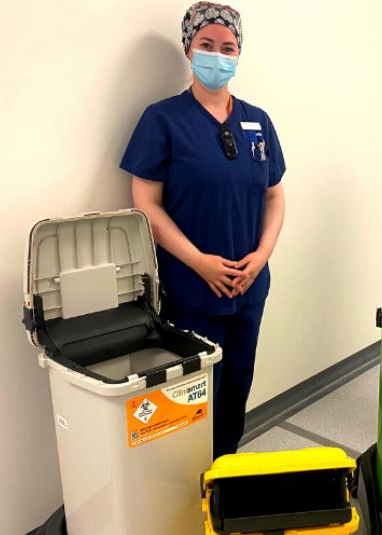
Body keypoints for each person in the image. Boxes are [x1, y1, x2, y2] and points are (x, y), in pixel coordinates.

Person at [120, 2, 286, 458]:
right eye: (206, 45)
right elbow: (145, 204)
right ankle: (183, 485)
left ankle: (223, 472)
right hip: (192, 290)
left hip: (248, 286)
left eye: (228, 47)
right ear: (189, 50)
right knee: (191, 398)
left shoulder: (258, 121)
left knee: (234, 388)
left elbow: (274, 195)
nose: (218, 55)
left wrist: (263, 255)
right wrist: (198, 262)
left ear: (239, 53)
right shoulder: (163, 119)